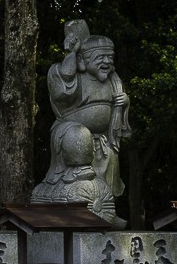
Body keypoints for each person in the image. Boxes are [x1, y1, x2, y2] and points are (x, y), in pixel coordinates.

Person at [30, 20, 130, 228]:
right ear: (84, 60)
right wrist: (72, 53)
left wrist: (123, 102)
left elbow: (118, 104)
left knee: (109, 157)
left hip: (102, 137)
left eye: (110, 58)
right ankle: (78, 188)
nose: (106, 62)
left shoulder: (113, 79)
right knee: (80, 136)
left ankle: (106, 205)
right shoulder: (69, 73)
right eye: (100, 58)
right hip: (70, 132)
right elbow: (62, 91)